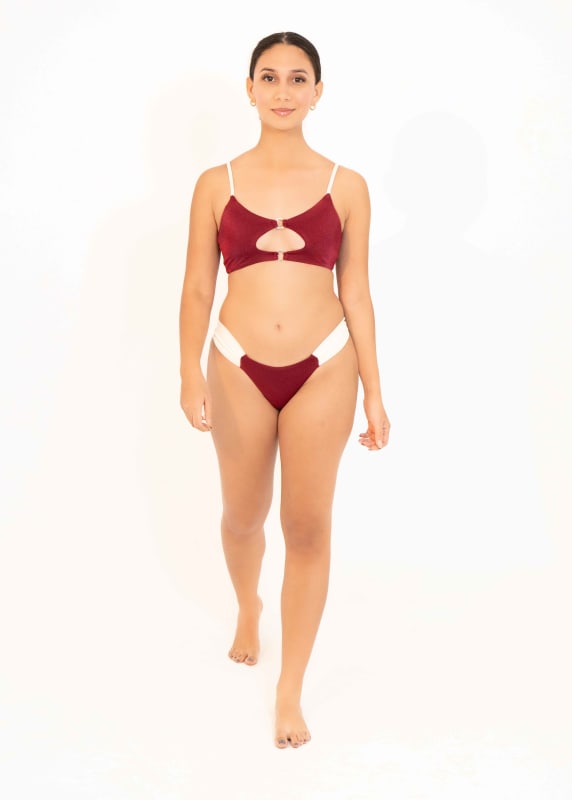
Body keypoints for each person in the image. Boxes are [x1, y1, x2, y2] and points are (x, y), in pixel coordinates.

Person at [179, 31, 390, 749]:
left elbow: (356, 292)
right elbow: (197, 286)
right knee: (243, 518)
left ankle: (289, 688)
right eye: (268, 77)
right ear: (249, 89)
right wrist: (188, 370)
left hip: (325, 364)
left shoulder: (347, 186)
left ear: (318, 93)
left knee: (307, 527)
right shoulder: (215, 183)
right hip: (235, 362)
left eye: (298, 79)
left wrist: (374, 390)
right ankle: (248, 606)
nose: (282, 91)